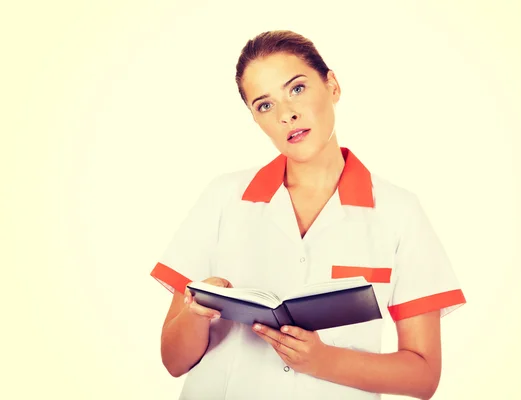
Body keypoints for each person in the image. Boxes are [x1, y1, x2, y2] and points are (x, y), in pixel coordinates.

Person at [150, 30, 466, 400]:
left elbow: (423, 376)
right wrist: (196, 312)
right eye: (264, 105)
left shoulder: (399, 213)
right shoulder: (223, 197)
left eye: (296, 89)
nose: (288, 115)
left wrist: (321, 360)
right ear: (255, 118)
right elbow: (173, 362)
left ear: (332, 85)